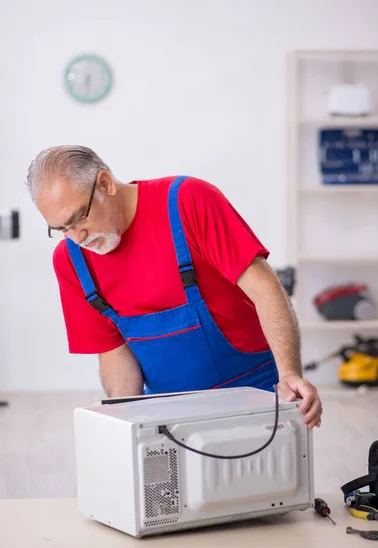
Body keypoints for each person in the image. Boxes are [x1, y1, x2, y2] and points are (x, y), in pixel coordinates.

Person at [27, 145, 322, 429]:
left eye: (78, 219)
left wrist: (290, 374)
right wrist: (124, 423)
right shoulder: (71, 262)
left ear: (105, 184)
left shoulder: (187, 202)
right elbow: (114, 351)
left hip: (258, 392)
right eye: (62, 229)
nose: (77, 237)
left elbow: (265, 289)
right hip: (167, 415)